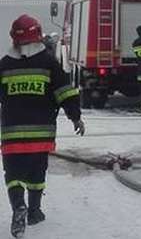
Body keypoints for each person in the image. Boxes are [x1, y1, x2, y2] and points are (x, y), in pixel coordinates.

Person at [0, 15, 84, 238]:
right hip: (41, 134)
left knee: (13, 174)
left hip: (12, 134)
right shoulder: (49, 63)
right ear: (38, 36)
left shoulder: (4, 64)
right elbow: (65, 93)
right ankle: (34, 212)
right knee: (37, 173)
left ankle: (18, 205)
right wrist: (75, 117)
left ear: (14, 38)